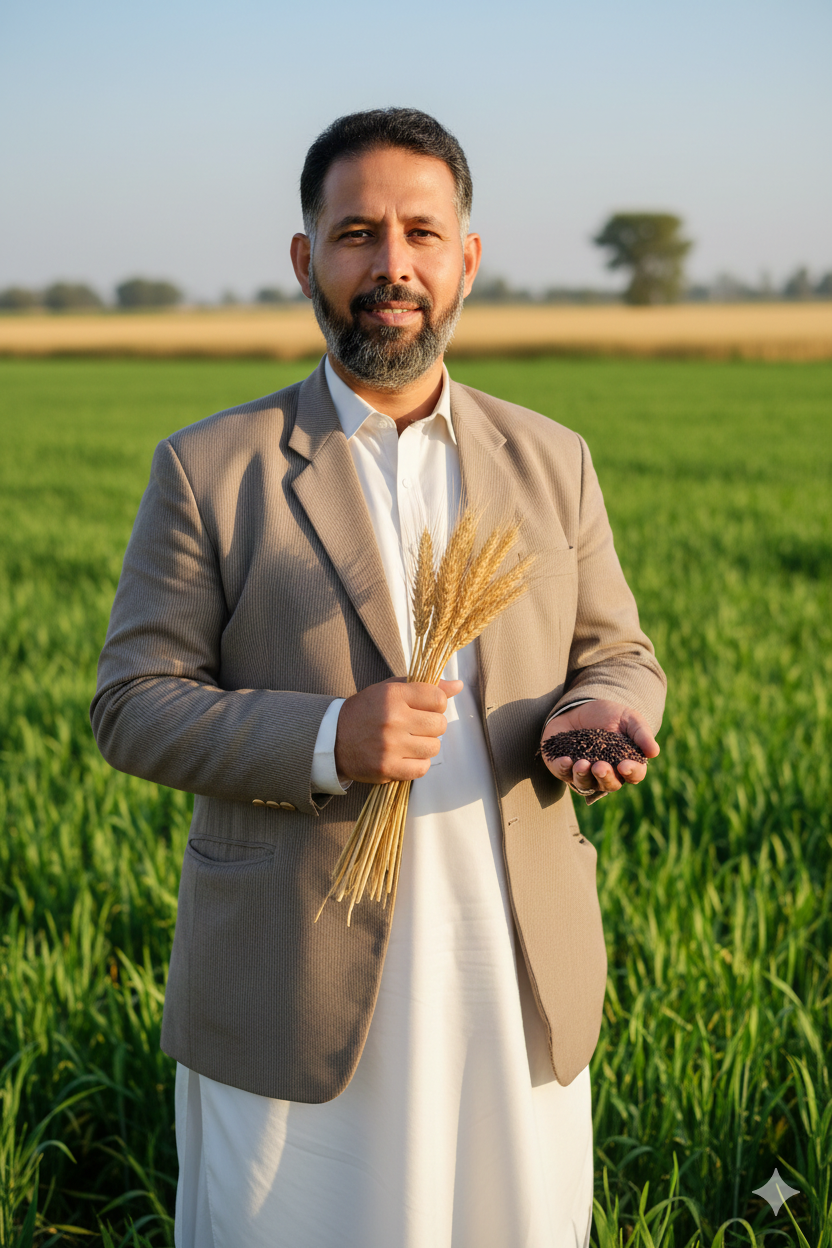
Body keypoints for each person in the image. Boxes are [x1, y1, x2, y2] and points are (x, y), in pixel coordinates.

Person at [92, 107, 666, 1248]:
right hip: (291, 993)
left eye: (419, 231)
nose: (390, 264)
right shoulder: (214, 468)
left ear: (467, 259)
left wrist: (603, 710)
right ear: (307, 259)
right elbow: (131, 704)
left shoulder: (552, 460)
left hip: (512, 986)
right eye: (357, 232)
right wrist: (328, 738)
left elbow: (618, 653)